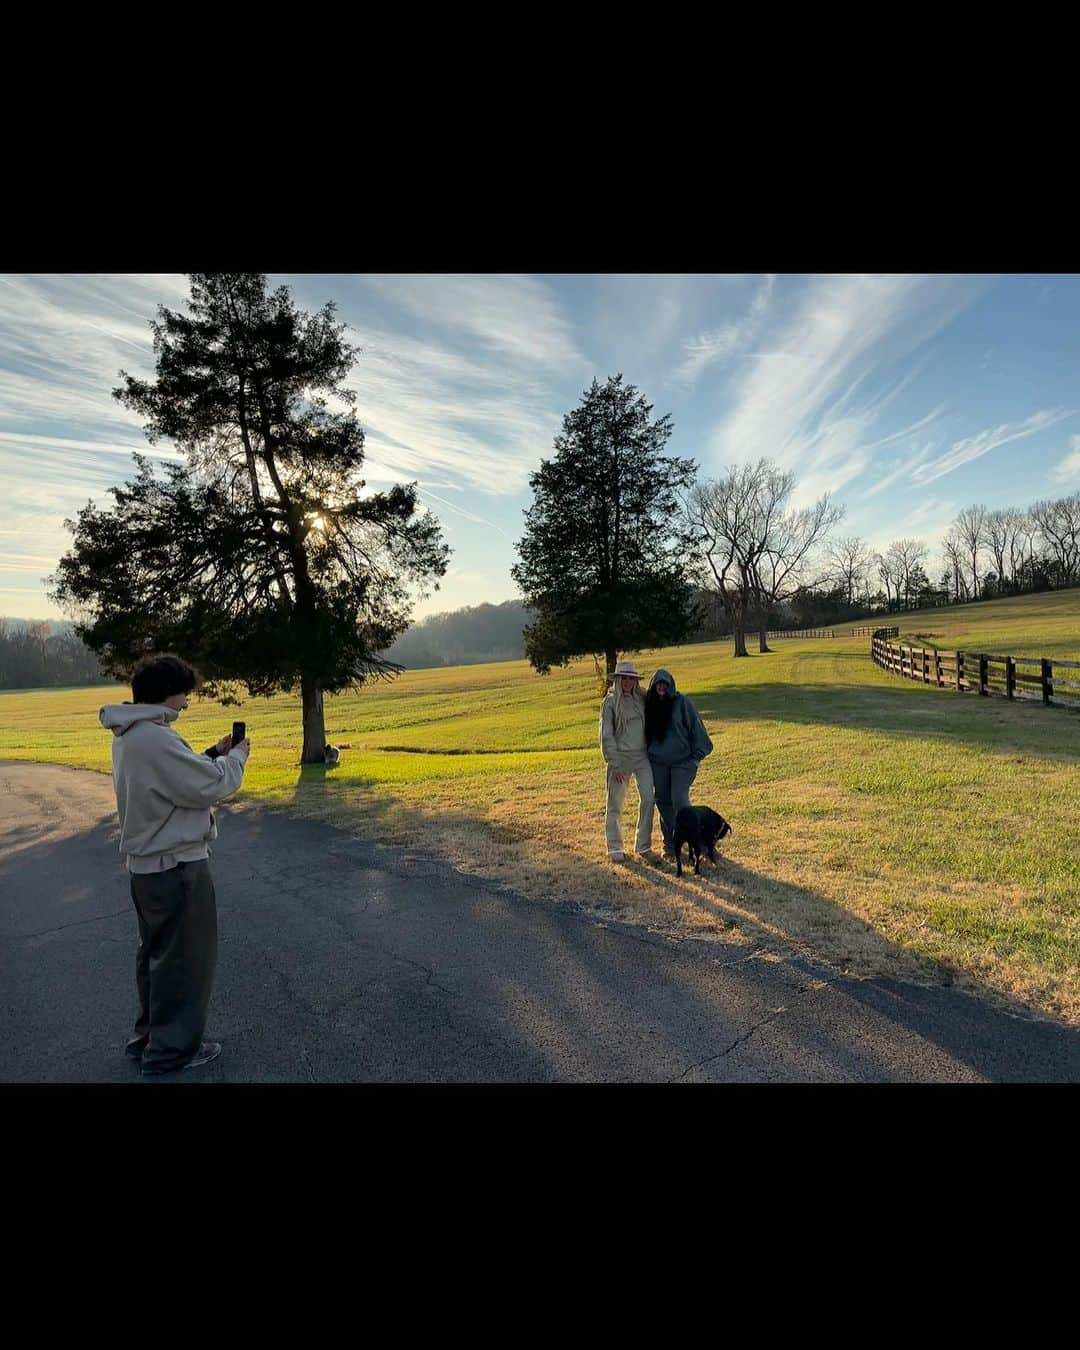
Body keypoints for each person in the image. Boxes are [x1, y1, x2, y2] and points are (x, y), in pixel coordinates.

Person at [99, 653, 250, 1075]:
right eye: (183, 694)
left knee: (156, 957)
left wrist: (207, 753)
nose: (186, 703)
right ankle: (172, 1052)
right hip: (177, 867)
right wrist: (235, 757)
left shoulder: (129, 735)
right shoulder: (156, 738)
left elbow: (168, 782)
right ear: (166, 694)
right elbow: (213, 785)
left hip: (147, 869)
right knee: (186, 961)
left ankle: (149, 1039)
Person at [644, 667, 713, 862]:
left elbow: (698, 730)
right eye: (658, 684)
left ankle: (700, 841)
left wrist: (695, 758)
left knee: (679, 800)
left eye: (665, 684)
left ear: (671, 686)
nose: (661, 688)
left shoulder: (683, 703)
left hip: (683, 762)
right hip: (658, 763)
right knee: (663, 800)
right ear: (653, 686)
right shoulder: (649, 706)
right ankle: (669, 843)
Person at [599, 660, 660, 863]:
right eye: (623, 678)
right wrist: (614, 763)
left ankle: (643, 846)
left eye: (631, 678)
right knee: (615, 804)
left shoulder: (641, 698)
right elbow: (606, 735)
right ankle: (614, 846)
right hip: (621, 759)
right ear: (618, 679)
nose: (627, 682)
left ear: (635, 681)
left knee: (649, 799)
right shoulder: (610, 702)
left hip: (642, 757)